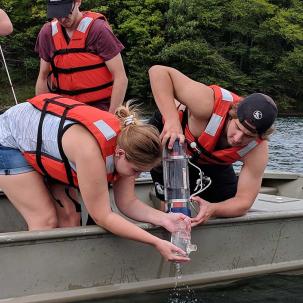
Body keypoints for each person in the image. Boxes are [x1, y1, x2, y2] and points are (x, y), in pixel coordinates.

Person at [0, 93, 190, 262]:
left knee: (70, 220)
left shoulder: (128, 147)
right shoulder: (90, 153)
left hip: (50, 147)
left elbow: (127, 203)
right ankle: (36, 279)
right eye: (136, 171)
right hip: (9, 138)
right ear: (121, 154)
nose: (137, 175)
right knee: (45, 220)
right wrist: (156, 242)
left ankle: (64, 271)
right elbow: (103, 216)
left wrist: (165, 219)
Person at [148, 65, 278, 225]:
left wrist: (213, 208)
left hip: (207, 157)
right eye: (237, 128)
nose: (237, 138)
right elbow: (158, 72)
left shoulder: (257, 150)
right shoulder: (206, 104)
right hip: (167, 130)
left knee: (228, 204)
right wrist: (172, 120)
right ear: (231, 115)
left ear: (259, 137)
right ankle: (161, 214)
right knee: (146, 159)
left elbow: (243, 202)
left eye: (248, 136)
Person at [35, 0, 128, 113]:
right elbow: (43, 77)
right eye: (58, 14)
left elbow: (121, 77)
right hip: (65, 108)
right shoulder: (47, 32)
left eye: (66, 12)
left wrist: (111, 116)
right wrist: (42, 113)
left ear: (78, 2)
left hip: (101, 107)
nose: (63, 19)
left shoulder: (98, 29)